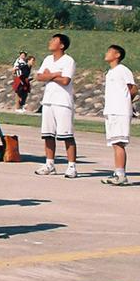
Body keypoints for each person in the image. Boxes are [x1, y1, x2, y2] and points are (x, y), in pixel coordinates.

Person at [34, 33, 78, 178]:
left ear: (62, 45)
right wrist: (54, 75)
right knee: (48, 134)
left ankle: (71, 166)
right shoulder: (48, 59)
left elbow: (66, 81)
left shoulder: (68, 60)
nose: (50, 42)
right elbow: (40, 76)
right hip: (48, 100)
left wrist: (50, 75)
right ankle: (49, 164)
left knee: (66, 135)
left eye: (54, 40)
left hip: (63, 102)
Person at [101, 44, 137, 186]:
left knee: (119, 143)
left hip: (120, 111)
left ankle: (121, 175)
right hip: (111, 111)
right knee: (115, 143)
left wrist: (125, 102)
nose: (107, 53)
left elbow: (133, 89)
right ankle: (117, 172)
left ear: (117, 55)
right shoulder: (110, 72)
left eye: (110, 51)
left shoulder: (123, 70)